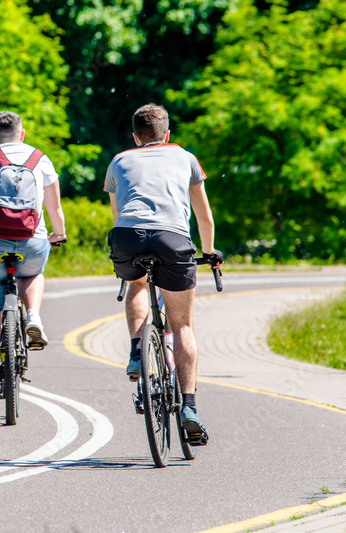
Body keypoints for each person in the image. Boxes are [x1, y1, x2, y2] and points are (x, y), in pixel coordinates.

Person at [104, 103, 221, 443]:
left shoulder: (118, 161)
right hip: (173, 239)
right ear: (167, 134)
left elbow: (117, 214)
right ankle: (189, 408)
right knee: (182, 324)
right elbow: (204, 218)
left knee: (137, 284)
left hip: (127, 236)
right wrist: (210, 252)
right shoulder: (186, 158)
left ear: (135, 137)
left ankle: (136, 350)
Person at [0, 111, 66, 404]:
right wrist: (59, 234)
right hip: (32, 242)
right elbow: (55, 208)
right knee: (33, 272)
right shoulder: (40, 159)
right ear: (22, 133)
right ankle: (33, 315)